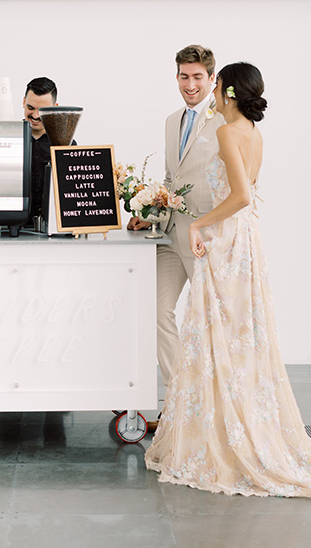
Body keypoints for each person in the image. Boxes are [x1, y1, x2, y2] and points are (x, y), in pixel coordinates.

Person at [145, 62, 311, 497]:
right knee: (236, 336)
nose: (210, 92)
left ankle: (215, 432)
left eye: (214, 85)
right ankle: (226, 424)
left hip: (226, 239)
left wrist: (199, 225)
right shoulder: (253, 132)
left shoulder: (224, 131)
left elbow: (239, 196)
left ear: (228, 92)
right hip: (246, 240)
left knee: (215, 334)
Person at [128, 45, 224, 430]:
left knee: (209, 324)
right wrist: (148, 214)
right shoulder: (171, 121)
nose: (190, 84)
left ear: (212, 79)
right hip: (170, 235)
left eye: (198, 77)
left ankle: (213, 407)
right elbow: (172, 180)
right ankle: (179, 400)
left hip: (207, 237)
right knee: (153, 310)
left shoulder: (225, 123)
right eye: (184, 76)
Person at [23, 77, 59, 225]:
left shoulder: (63, 144)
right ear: (23, 102)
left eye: (43, 110)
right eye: (30, 107)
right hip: (11, 231)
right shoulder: (8, 140)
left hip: (53, 230)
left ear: (55, 107)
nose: (36, 115)